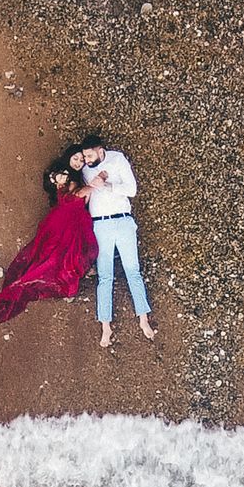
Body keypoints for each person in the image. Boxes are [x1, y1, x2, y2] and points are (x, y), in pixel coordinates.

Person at [70, 136, 156, 350]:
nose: (87, 160)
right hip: (100, 224)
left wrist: (106, 185)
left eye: (89, 155)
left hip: (123, 220)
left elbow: (131, 190)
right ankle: (105, 326)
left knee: (132, 271)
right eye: (84, 157)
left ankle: (143, 319)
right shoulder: (85, 169)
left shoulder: (117, 159)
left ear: (100, 151)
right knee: (105, 275)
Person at [0, 159, 96, 324]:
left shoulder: (73, 180)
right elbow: (73, 198)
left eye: (81, 159)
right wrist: (94, 184)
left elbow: (76, 198)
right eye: (76, 158)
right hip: (62, 223)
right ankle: (23, 284)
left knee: (58, 259)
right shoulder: (64, 180)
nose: (79, 162)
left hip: (70, 223)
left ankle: (25, 283)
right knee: (48, 258)